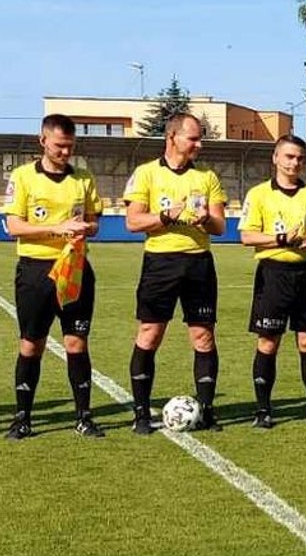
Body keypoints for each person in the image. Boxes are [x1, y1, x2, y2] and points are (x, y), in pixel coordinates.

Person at [123, 113, 227, 434]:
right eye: (193, 138)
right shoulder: (146, 174)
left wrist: (203, 221)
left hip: (199, 264)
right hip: (160, 264)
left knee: (203, 336)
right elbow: (133, 222)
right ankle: (141, 414)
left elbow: (220, 225)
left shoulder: (207, 177)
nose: (199, 144)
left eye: (200, 138)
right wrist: (167, 216)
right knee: (150, 335)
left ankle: (206, 411)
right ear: (172, 137)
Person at [4, 114, 105, 439]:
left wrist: (85, 228)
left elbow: (94, 222)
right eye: (60, 146)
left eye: (70, 147)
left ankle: (84, 416)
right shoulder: (22, 177)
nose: (65, 152)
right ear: (43, 141)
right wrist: (56, 228)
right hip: (36, 270)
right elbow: (13, 226)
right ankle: (22, 418)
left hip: (75, 268)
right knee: (32, 344)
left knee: (76, 341)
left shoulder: (83, 178)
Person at [238, 135, 306, 428]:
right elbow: (246, 236)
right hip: (273, 274)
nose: (295, 163)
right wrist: (282, 239)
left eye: (300, 158)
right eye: (289, 157)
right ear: (276, 158)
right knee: (269, 342)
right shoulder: (258, 194)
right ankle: (263, 410)